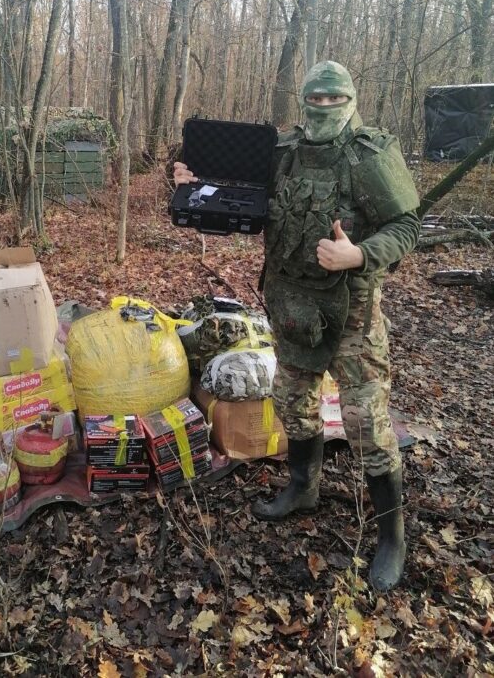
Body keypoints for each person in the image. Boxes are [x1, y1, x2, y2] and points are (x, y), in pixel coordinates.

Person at [173, 60, 420, 592]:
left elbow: (407, 225)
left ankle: (391, 536)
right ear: (303, 101)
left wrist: (359, 254)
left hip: (350, 311)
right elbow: (234, 193)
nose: (324, 108)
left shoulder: (368, 157)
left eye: (334, 99)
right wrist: (190, 181)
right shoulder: (281, 154)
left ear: (351, 100)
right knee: (291, 401)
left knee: (365, 423)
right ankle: (303, 488)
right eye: (316, 98)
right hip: (290, 308)